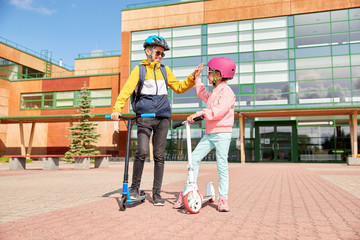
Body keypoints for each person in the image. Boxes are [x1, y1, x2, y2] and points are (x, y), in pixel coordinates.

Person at [111, 35, 203, 206]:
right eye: (158, 52)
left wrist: (192, 77)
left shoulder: (165, 70)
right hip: (144, 118)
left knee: (159, 156)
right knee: (141, 151)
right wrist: (117, 109)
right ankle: (134, 188)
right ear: (148, 51)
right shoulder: (139, 69)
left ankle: (157, 193)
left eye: (162, 54)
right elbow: (126, 90)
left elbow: (179, 87)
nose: (160, 56)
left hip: (162, 119)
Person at [173, 57, 236, 212]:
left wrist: (198, 113)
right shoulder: (215, 91)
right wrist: (197, 78)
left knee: (221, 165)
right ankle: (188, 191)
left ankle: (223, 198)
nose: (208, 75)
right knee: (193, 158)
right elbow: (203, 94)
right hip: (210, 133)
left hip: (222, 133)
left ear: (219, 74)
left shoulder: (227, 92)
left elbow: (217, 111)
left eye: (210, 73)